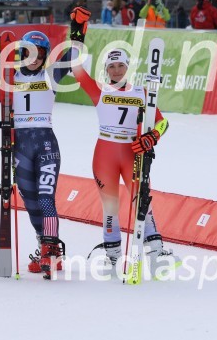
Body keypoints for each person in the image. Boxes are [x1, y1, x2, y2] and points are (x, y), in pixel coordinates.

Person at [0, 0, 88, 277]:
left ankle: (51, 250)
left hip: (46, 143)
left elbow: (72, 55)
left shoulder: (51, 74)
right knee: (30, 199)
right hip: (19, 145)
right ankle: (44, 243)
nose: (34, 56)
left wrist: (77, 31)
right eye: (29, 51)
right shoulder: (10, 74)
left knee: (47, 197)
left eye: (40, 52)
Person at [71, 41, 175, 276]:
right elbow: (76, 70)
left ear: (127, 67)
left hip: (132, 154)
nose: (116, 70)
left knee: (143, 203)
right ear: (106, 70)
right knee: (110, 207)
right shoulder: (99, 90)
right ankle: (113, 257)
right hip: (105, 154)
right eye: (112, 66)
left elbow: (163, 121)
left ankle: (156, 253)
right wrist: (78, 34)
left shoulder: (141, 92)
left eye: (120, 65)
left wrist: (152, 137)